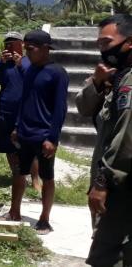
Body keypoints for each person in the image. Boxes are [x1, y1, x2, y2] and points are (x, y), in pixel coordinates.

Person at [77, 15, 132, 267]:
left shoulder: (128, 82)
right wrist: (98, 83)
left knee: (107, 254)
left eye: (107, 42)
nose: (102, 49)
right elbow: (84, 107)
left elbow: (126, 137)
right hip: (110, 179)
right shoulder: (113, 75)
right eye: (99, 43)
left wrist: (103, 180)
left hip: (119, 184)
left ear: (129, 42)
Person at [8, 30, 69, 235]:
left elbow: (60, 108)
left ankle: (44, 219)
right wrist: (17, 126)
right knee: (18, 172)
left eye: (31, 49)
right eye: (26, 48)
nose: (27, 52)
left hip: (43, 136)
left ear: (45, 49)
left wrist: (52, 138)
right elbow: (24, 101)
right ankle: (14, 211)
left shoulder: (57, 73)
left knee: (47, 177)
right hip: (24, 132)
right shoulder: (31, 70)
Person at [0, 32, 41, 221]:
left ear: (22, 45)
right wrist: (3, 63)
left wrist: (21, 63)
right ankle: (19, 175)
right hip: (5, 112)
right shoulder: (2, 63)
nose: (10, 47)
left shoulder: (28, 63)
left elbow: (32, 81)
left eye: (14, 43)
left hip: (23, 114)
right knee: (9, 149)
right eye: (7, 43)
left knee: (27, 150)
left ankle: (33, 178)